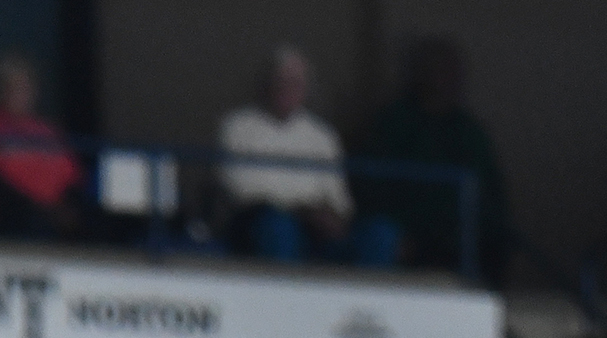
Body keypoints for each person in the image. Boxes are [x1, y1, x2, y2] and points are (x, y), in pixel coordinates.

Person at [357, 39, 510, 280]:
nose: (450, 78)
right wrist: (402, 234)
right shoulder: (394, 123)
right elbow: (371, 186)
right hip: (408, 244)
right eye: (441, 70)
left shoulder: (469, 132)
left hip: (460, 249)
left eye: (453, 71)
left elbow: (491, 195)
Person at [217, 45, 370, 264]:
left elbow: (339, 199)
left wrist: (330, 217)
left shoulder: (322, 135)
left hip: (316, 229)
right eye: (281, 81)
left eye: (295, 83)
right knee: (277, 227)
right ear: (267, 84)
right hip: (260, 223)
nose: (287, 89)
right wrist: (302, 211)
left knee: (377, 234)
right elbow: (241, 191)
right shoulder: (237, 127)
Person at [0, 51, 82, 239]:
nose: (20, 94)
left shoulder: (47, 131)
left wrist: (63, 210)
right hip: (6, 217)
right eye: (11, 87)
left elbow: (72, 178)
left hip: (52, 218)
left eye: (25, 87)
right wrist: (35, 205)